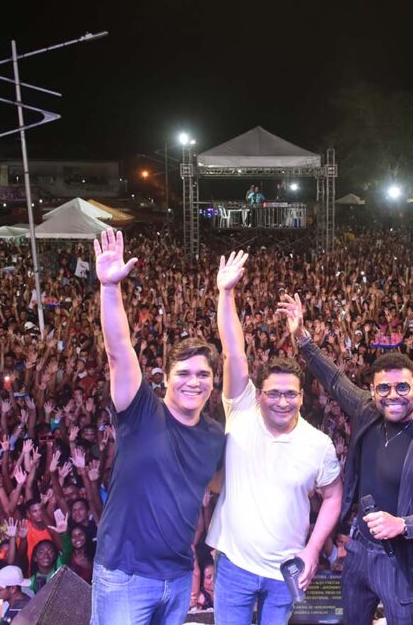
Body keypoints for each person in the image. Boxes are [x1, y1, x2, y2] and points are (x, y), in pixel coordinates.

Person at [278, 293, 413, 625]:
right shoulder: (368, 409)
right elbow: (335, 380)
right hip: (359, 551)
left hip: (405, 563)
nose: (392, 395)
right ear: (373, 390)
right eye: (383, 389)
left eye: (401, 387)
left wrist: (404, 524)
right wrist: (303, 338)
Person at [91, 229, 226, 625]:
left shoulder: (215, 434)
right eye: (183, 372)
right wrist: (110, 288)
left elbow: (219, 488)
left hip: (180, 577)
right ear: (165, 378)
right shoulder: (141, 410)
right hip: (124, 575)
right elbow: (119, 351)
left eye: (203, 374)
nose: (193, 381)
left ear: (213, 381)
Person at [207, 251, 343, 624]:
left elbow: (333, 496)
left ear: (302, 396)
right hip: (234, 565)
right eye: (274, 393)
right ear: (259, 393)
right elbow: (234, 353)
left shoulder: (319, 444)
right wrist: (226, 294)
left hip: (288, 571)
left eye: (291, 394)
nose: (282, 402)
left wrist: (313, 549)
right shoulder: (243, 409)